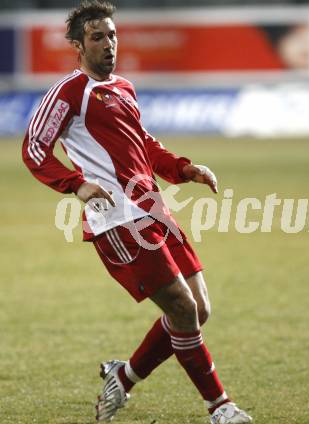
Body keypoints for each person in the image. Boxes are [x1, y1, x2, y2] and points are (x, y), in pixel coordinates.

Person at [22, 1, 252, 423]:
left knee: (198, 310)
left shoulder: (123, 88)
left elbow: (143, 144)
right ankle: (221, 408)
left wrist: (184, 168)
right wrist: (77, 184)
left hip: (152, 208)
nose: (108, 44)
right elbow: (34, 148)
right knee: (182, 309)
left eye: (112, 35)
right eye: (97, 37)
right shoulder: (70, 92)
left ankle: (122, 377)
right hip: (117, 220)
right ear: (77, 46)